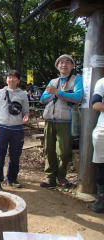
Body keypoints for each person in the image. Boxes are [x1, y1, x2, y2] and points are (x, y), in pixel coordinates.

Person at [40, 54, 83, 188]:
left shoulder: (77, 79)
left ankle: (61, 176)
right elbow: (43, 99)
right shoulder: (52, 81)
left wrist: (58, 92)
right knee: (49, 149)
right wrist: (55, 92)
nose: (64, 65)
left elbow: (77, 97)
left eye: (67, 62)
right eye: (61, 63)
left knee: (64, 151)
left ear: (72, 66)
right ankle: (50, 177)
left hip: (65, 121)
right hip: (50, 120)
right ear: (57, 66)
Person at [0, 70, 30, 191]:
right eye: (9, 77)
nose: (11, 79)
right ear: (6, 79)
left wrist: (26, 116)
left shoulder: (23, 94)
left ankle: (12, 179)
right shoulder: (0, 93)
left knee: (15, 156)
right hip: (2, 129)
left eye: (14, 77)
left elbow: (26, 111)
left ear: (18, 80)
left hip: (18, 129)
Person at [91, 77, 104, 213]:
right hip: (102, 129)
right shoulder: (101, 82)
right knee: (102, 165)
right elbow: (95, 104)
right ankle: (101, 197)